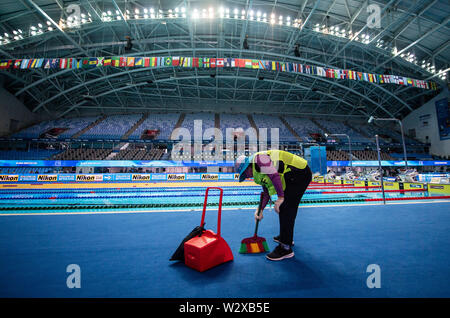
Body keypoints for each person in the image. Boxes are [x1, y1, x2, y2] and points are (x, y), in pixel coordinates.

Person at [235, 150, 312, 261]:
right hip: (291, 176)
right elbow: (266, 192)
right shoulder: (257, 173)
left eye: (245, 173)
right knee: (285, 207)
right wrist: (260, 209)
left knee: (286, 207)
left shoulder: (259, 159)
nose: (246, 176)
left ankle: (285, 248)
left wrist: (281, 198)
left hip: (299, 172)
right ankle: (286, 238)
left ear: (248, 166)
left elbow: (274, 176)